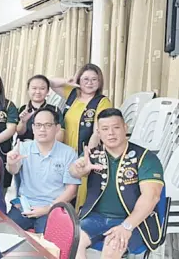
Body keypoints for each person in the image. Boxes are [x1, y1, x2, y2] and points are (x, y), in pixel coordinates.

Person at [69, 109, 165, 259]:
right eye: (105, 129)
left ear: (125, 128)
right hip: (96, 218)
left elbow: (151, 196)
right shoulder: (93, 155)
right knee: (73, 242)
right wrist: (78, 168)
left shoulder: (146, 158)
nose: (111, 133)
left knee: (113, 246)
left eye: (116, 127)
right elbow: (74, 171)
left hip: (134, 221)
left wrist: (127, 226)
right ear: (98, 133)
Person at [6, 108, 80, 233]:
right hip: (25, 206)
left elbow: (72, 190)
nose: (42, 129)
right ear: (33, 128)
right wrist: (11, 163)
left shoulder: (69, 153)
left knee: (47, 243)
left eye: (48, 125)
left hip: (54, 207)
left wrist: (48, 208)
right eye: (38, 125)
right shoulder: (23, 147)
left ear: (57, 128)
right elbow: (13, 170)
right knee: (5, 233)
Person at [50, 63, 113, 210]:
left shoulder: (102, 102)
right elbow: (49, 82)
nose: (89, 83)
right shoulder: (72, 94)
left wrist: (86, 155)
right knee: (62, 187)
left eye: (94, 79)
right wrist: (68, 81)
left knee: (78, 189)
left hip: (83, 150)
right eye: (85, 79)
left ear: (100, 82)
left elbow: (97, 132)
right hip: (64, 150)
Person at [16, 75, 64, 142]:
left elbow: (60, 133)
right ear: (28, 90)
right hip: (24, 148)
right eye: (34, 88)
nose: (38, 92)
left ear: (47, 91)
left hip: (47, 148)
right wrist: (23, 121)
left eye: (42, 88)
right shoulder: (22, 109)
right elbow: (19, 132)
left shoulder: (55, 110)